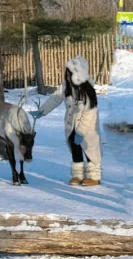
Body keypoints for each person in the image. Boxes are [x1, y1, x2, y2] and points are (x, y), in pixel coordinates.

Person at [35, 55, 103, 186]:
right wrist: (42, 111)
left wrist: (81, 131)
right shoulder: (66, 85)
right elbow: (55, 98)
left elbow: (90, 112)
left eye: (70, 73)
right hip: (71, 123)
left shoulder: (88, 89)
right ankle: (78, 175)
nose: (67, 76)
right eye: (67, 73)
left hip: (88, 126)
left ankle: (94, 177)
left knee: (90, 149)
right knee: (75, 148)